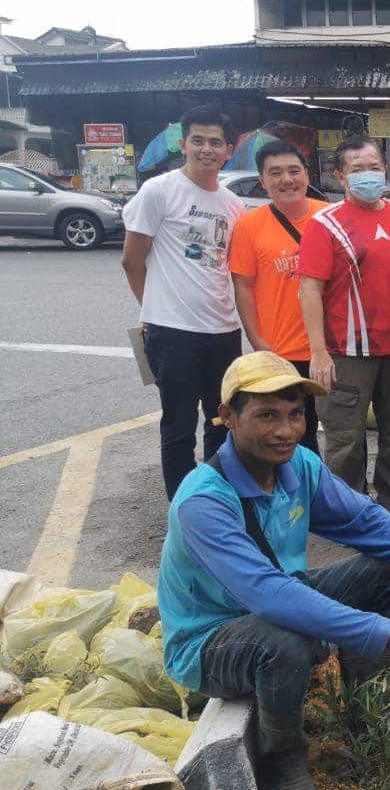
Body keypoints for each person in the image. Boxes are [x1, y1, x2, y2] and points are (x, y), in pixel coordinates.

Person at [156, 352, 390, 790]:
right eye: (266, 415)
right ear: (227, 417)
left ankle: (376, 709)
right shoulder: (204, 501)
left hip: (279, 600)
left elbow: (364, 521)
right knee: (283, 643)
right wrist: (385, 632)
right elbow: (267, 596)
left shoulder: (298, 466)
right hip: (210, 639)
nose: (286, 430)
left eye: (295, 414)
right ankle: (282, 763)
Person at [298, 135, 390, 524]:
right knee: (345, 440)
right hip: (344, 352)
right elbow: (310, 290)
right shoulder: (325, 224)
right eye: (357, 169)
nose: (368, 175)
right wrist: (318, 352)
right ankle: (349, 510)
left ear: (385, 170)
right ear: (340, 176)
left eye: (374, 167)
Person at [121, 105, 245, 499]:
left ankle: (215, 498)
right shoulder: (159, 190)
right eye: (198, 140)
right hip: (173, 333)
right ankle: (182, 507)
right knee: (177, 426)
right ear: (183, 143)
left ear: (228, 150)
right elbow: (131, 260)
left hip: (224, 330)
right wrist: (153, 312)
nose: (206, 149)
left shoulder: (233, 204)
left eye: (215, 142)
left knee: (221, 421)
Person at [229, 139, 328, 452]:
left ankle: (333, 495)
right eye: (275, 173)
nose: (287, 180)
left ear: (307, 175)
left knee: (340, 430)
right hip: (281, 350)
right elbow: (243, 285)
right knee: (291, 433)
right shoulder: (250, 225)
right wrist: (259, 342)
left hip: (329, 348)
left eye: (293, 171)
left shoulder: (329, 216)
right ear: (263, 181)